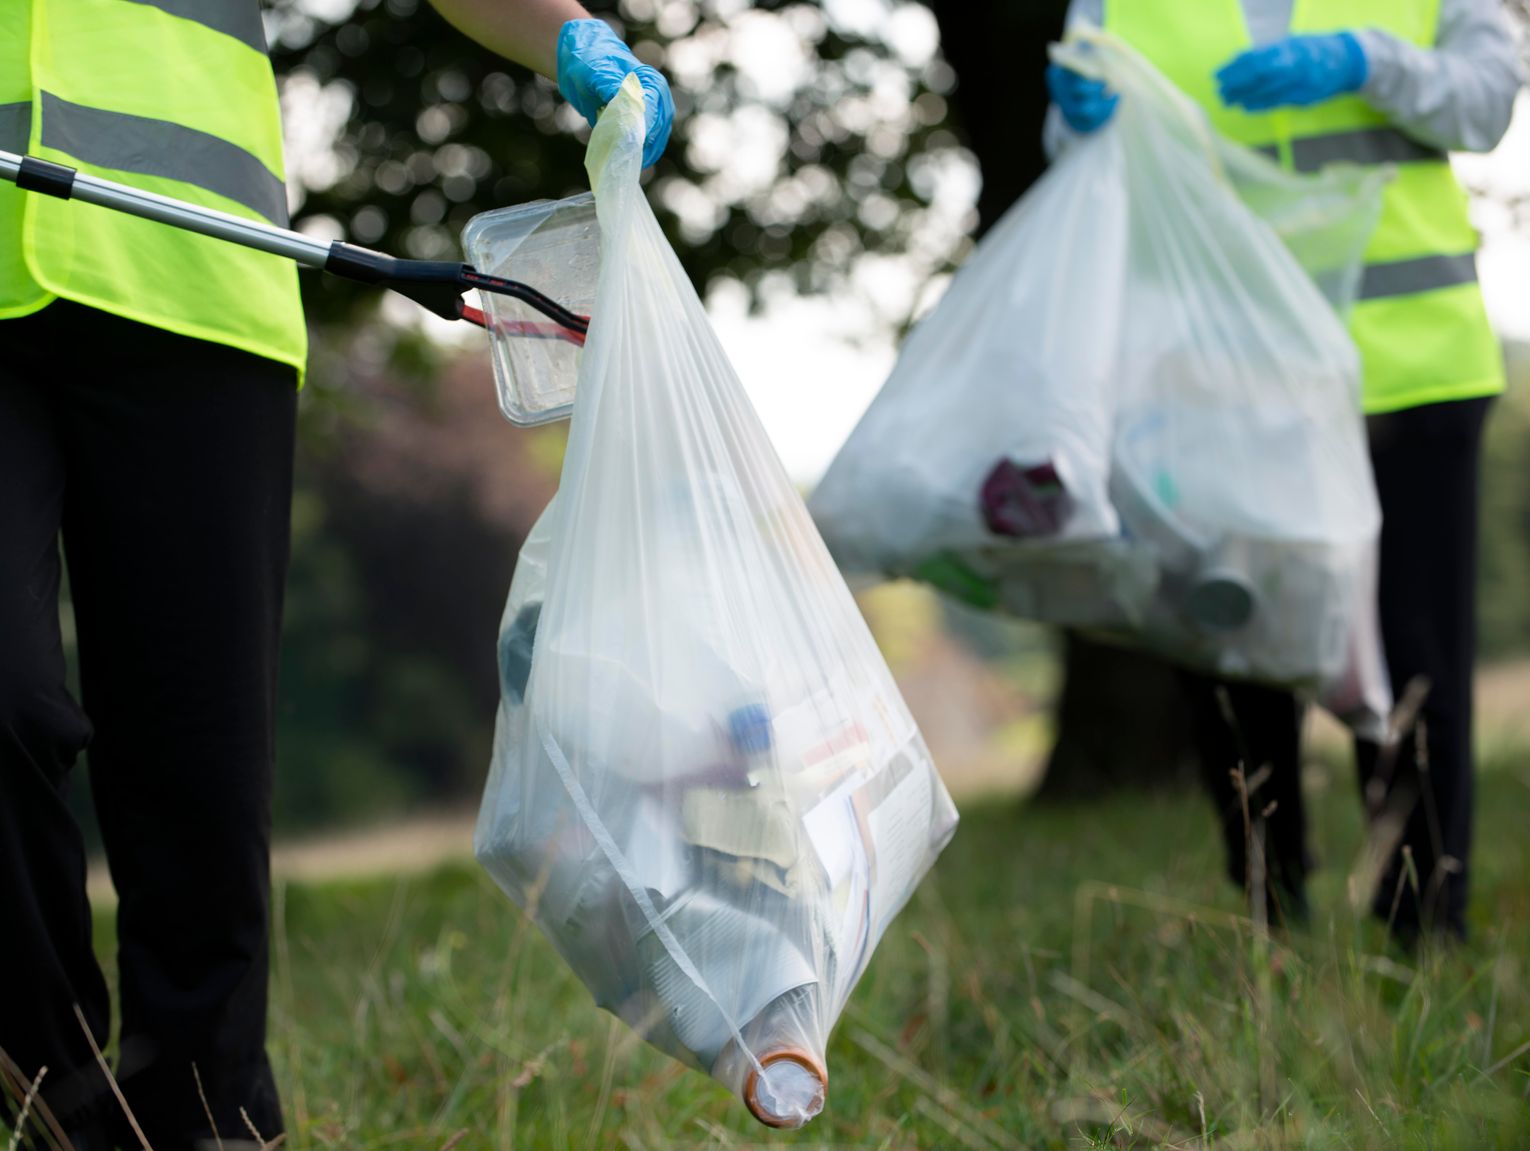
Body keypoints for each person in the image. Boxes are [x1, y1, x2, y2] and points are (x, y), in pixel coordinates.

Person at [0, 2, 672, 1148]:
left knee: (195, 767)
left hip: (195, 279)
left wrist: (567, 33)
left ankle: (205, 1117)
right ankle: (40, 1105)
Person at [1045, 0, 1522, 942]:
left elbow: (1488, 102)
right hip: (1216, 380)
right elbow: (1071, 151)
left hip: (1405, 367)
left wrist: (1369, 61)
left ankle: (1422, 930)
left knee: (1414, 656)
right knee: (1231, 649)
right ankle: (1274, 911)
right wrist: (1077, 120)